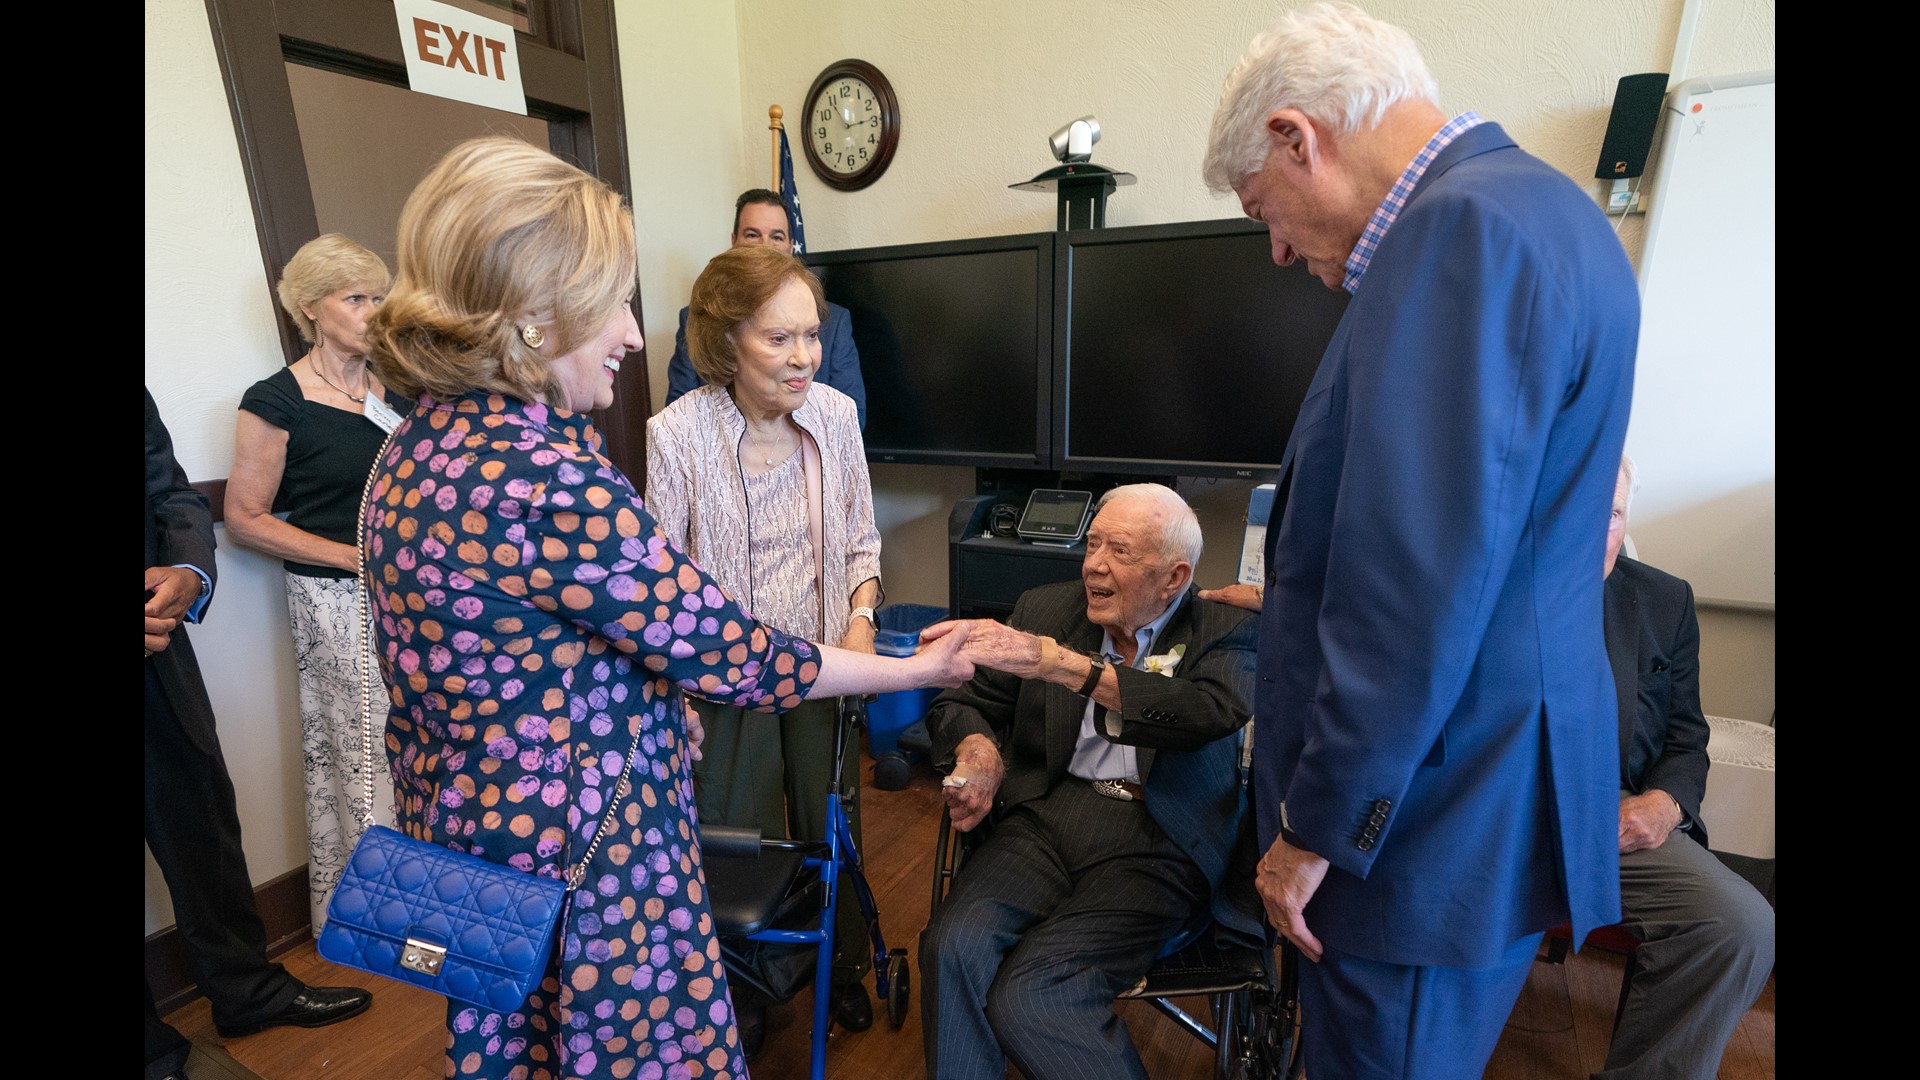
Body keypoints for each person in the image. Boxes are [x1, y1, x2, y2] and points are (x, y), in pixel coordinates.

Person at [360, 135, 977, 1080]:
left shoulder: (410, 450)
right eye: (612, 302)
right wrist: (917, 667)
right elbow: (734, 653)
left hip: (475, 854)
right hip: (590, 873)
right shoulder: (545, 477)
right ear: (532, 317)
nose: (630, 333)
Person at [1200, 4, 1640, 1075]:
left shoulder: (1456, 234)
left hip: (1415, 824)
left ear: (1300, 137)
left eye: (1266, 207)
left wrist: (1313, 830)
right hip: (1486, 788)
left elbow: (1410, 589)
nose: (1276, 246)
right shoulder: (1552, 209)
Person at [917, 484, 1259, 1080]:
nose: (1094, 564)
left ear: (1173, 577)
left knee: (1033, 993)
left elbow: (1205, 712)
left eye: (1119, 551)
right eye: (1093, 542)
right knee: (952, 947)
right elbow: (963, 702)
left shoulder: (1224, 627)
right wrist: (979, 747)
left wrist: (1062, 664)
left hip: (1158, 839)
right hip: (1047, 818)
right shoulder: (1046, 608)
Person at [647, 242, 883, 1038]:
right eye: (779, 338)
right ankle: (741, 987)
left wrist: (860, 625)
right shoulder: (675, 435)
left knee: (832, 823)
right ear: (726, 341)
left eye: (810, 335)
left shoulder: (836, 417)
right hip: (725, 680)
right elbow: (663, 577)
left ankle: (841, 965)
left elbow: (862, 541)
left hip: (823, 662)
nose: (804, 357)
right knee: (733, 834)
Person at [146, 388, 372, 1080]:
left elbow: (169, 489)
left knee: (202, 824)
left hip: (154, 650)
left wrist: (188, 567)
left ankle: (248, 993)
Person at [225, 233, 403, 930]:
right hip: (336, 600)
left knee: (419, 744)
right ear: (310, 307)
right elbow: (244, 517)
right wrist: (348, 558)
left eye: (379, 296)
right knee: (362, 750)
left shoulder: (397, 386)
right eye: (356, 298)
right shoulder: (276, 401)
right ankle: (372, 919)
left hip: (408, 596)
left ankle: (435, 904)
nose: (373, 310)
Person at [1600, 458, 1774, 1079]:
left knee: (1739, 925)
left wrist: (1666, 802)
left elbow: (1685, 734)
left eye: (1613, 514)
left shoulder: (1663, 600)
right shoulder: (1482, 587)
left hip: (1613, 817)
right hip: (1498, 809)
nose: (1597, 532)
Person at [662, 189, 867, 429]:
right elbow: (679, 418)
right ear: (734, 242)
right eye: (752, 235)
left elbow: (851, 421)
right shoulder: (700, 319)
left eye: (777, 237)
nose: (765, 246)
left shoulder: (834, 320)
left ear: (791, 247)